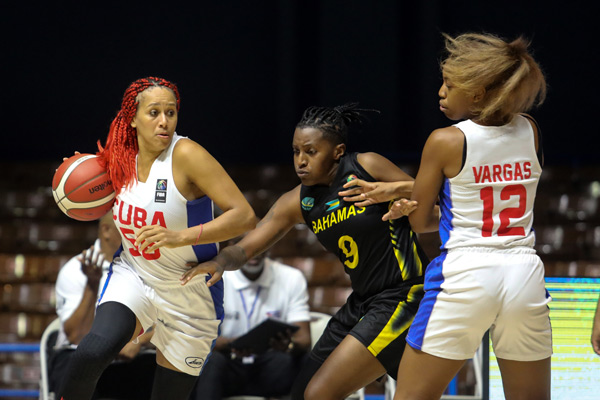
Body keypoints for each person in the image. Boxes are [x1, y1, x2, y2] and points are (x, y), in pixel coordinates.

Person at [181, 103, 429, 400]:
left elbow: (429, 193)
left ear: (337, 151)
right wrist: (220, 262)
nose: (301, 161)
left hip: (404, 294)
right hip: (363, 302)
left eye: (311, 152)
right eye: (296, 151)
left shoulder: (366, 165)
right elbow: (247, 247)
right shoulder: (298, 201)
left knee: (321, 393)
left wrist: (395, 191)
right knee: (301, 394)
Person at [58, 77, 257, 400]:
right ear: (132, 119)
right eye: (154, 112)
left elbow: (245, 216)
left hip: (189, 289)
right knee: (91, 353)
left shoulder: (187, 154)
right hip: (135, 275)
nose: (164, 121)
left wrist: (180, 237)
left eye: (171, 112)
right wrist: (77, 171)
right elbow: (84, 187)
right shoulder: (118, 157)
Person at [380, 32, 551, 400]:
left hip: (466, 272)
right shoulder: (530, 130)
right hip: (524, 272)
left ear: (477, 93)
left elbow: (420, 222)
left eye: (450, 84)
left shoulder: (446, 140)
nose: (441, 92)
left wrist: (410, 205)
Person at [51, 211, 156, 399]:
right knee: (83, 361)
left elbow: (169, 321)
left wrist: (139, 341)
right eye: (128, 228)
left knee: (167, 366)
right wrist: (92, 285)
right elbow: (77, 336)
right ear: (106, 230)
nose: (136, 234)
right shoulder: (74, 270)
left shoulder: (148, 270)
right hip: (79, 355)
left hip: (133, 360)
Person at [190, 245, 311, 399]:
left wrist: (288, 344)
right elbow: (197, 337)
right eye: (244, 245)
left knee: (305, 360)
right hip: (228, 363)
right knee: (211, 361)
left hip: (269, 365)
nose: (253, 252)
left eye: (259, 246)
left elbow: (304, 339)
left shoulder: (291, 277)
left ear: (269, 244)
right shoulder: (215, 276)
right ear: (231, 246)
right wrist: (231, 344)